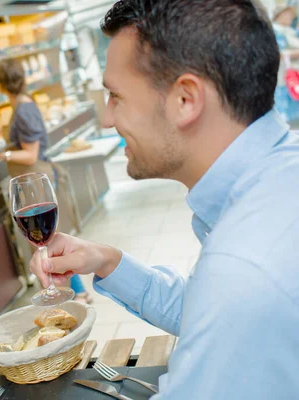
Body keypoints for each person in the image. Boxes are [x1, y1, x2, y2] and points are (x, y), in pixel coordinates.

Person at [29, 1, 299, 399]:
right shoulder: (277, 178)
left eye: (115, 96)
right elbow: (210, 313)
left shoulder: (243, 268)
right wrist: (107, 261)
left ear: (185, 100)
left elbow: (232, 300)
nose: (107, 119)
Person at [0, 59, 92, 300]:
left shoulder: (23, 110)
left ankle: (77, 292)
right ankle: (63, 290)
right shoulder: (22, 104)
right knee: (45, 241)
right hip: (31, 180)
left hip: (34, 181)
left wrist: (2, 153)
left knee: (48, 241)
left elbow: (31, 155)